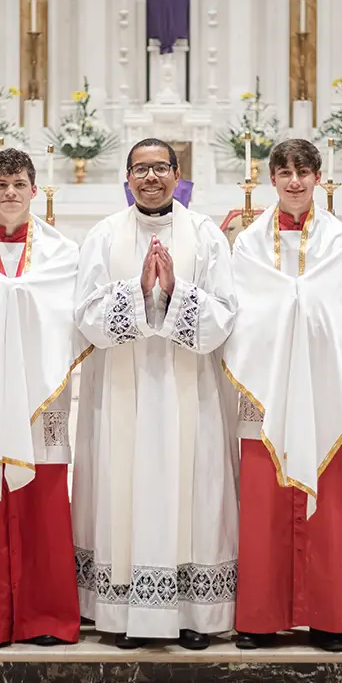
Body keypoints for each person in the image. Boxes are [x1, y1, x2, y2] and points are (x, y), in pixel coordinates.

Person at [72, 138, 240, 650]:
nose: (151, 178)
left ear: (177, 173)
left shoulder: (207, 236)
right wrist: (140, 295)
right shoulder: (103, 236)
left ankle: (195, 614)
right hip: (122, 391)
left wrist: (172, 295)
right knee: (124, 486)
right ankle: (122, 613)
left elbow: (225, 316)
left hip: (192, 392)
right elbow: (85, 316)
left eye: (160, 168)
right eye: (140, 169)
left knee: (195, 490)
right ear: (127, 178)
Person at [224, 139, 342, 653]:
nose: (294, 182)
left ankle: (332, 618)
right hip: (265, 387)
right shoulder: (248, 243)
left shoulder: (340, 240)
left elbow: (341, 309)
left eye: (303, 172)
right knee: (264, 506)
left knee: (329, 509)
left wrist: (295, 302)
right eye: (284, 172)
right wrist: (293, 303)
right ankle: (261, 618)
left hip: (323, 387)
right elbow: (246, 307)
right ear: (271, 179)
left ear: (317, 177)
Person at [0, 148, 89, 649]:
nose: (10, 193)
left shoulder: (60, 252)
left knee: (42, 508)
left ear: (33, 190)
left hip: (36, 396)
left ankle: (43, 617)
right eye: (1, 184)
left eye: (18, 184)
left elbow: (69, 316)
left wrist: (12, 296)